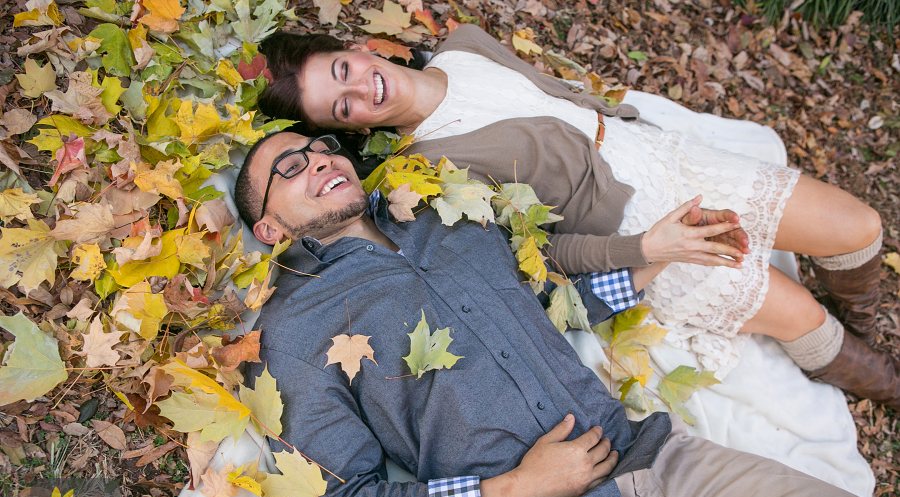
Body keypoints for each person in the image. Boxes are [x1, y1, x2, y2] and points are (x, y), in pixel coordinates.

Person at [235, 130, 900, 497]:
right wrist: (519, 488)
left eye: (320, 147)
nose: (317, 159)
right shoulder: (292, 332)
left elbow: (551, 307)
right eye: (288, 169)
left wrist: (655, 256)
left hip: (658, 462)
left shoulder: (450, 220)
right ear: (267, 229)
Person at [256, 25, 899, 405]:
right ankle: (884, 378)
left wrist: (620, 120)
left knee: (861, 227)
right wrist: (649, 248)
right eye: (340, 108)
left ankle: (864, 312)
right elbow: (540, 255)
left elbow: (556, 94)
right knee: (803, 318)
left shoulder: (463, 45)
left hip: (661, 155)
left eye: (344, 70)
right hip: (640, 225)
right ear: (347, 130)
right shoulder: (429, 174)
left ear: (361, 50)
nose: (359, 90)